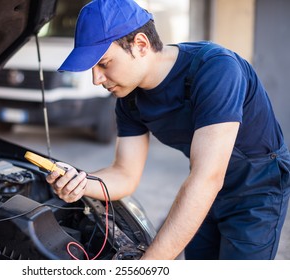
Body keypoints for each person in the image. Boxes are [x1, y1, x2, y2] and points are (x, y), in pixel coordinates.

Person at [46, 0, 290, 260]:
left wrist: (149, 267)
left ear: (140, 45)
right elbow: (124, 174)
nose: (96, 79)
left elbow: (208, 178)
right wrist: (81, 182)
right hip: (203, 186)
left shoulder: (216, 69)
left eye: (104, 63)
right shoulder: (130, 98)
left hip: (257, 188)